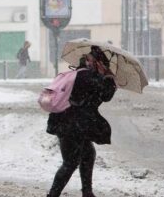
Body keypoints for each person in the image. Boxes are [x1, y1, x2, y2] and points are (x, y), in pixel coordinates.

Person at [46, 46, 117, 197]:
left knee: (88, 154)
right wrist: (109, 78)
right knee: (71, 162)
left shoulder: (79, 74)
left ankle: (87, 192)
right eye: (101, 63)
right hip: (70, 125)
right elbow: (106, 95)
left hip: (69, 124)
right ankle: (54, 194)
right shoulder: (87, 76)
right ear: (94, 62)